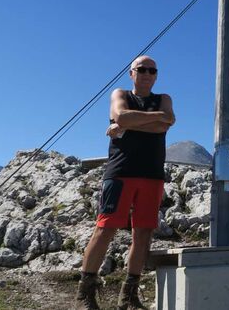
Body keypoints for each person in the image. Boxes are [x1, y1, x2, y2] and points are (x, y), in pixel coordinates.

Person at [76, 55, 175, 310]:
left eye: (152, 70)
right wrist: (150, 119)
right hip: (120, 172)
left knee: (143, 233)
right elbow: (122, 116)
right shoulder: (120, 93)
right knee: (105, 228)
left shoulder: (164, 99)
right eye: (141, 69)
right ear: (132, 73)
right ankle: (85, 294)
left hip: (152, 174)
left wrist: (128, 123)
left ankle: (128, 296)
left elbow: (167, 121)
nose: (147, 73)